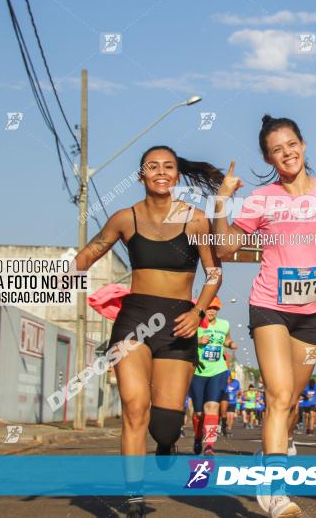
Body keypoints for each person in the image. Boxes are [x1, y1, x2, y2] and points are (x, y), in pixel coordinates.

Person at [211, 115, 316, 518]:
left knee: (293, 399)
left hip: (312, 314)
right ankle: (275, 490)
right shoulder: (263, 199)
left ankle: (274, 448)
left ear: (303, 144)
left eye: (290, 144)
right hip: (269, 307)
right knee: (279, 396)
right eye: (276, 150)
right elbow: (226, 249)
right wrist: (221, 202)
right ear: (269, 158)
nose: (286, 154)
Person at [72, 146, 222, 517]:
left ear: (176, 176)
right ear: (141, 176)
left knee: (166, 428)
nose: (160, 172)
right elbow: (90, 253)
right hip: (134, 320)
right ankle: (133, 495)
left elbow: (214, 274)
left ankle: (168, 443)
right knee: (134, 407)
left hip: (179, 324)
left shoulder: (196, 220)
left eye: (168, 167)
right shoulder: (125, 219)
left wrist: (199, 312)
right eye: (152, 166)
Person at [189, 296, 236, 455]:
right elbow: (182, 341)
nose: (211, 311)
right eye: (209, 308)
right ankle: (197, 435)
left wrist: (230, 344)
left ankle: (209, 445)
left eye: (215, 308)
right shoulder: (195, 324)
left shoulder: (224, 324)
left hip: (218, 370)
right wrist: (198, 341)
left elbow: (227, 339)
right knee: (199, 413)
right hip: (198, 371)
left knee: (212, 407)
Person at [223, 372, 240, 437]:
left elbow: (238, 390)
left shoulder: (236, 382)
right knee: (227, 416)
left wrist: (237, 394)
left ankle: (229, 428)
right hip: (226, 401)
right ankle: (225, 428)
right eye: (229, 378)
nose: (230, 380)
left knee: (231, 416)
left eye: (231, 379)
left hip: (233, 401)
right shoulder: (224, 382)